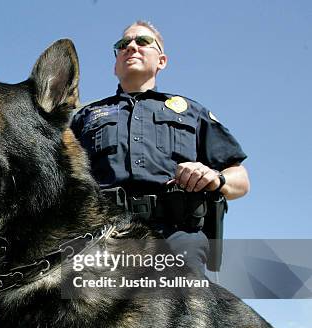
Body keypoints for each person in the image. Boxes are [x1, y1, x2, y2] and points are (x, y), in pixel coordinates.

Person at [71, 20, 250, 272]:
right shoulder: (85, 116)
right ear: (115, 65)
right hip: (100, 236)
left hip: (176, 236)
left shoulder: (192, 112)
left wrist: (215, 177)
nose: (131, 47)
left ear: (161, 61)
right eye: (123, 44)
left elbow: (240, 180)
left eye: (142, 41)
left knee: (182, 307)